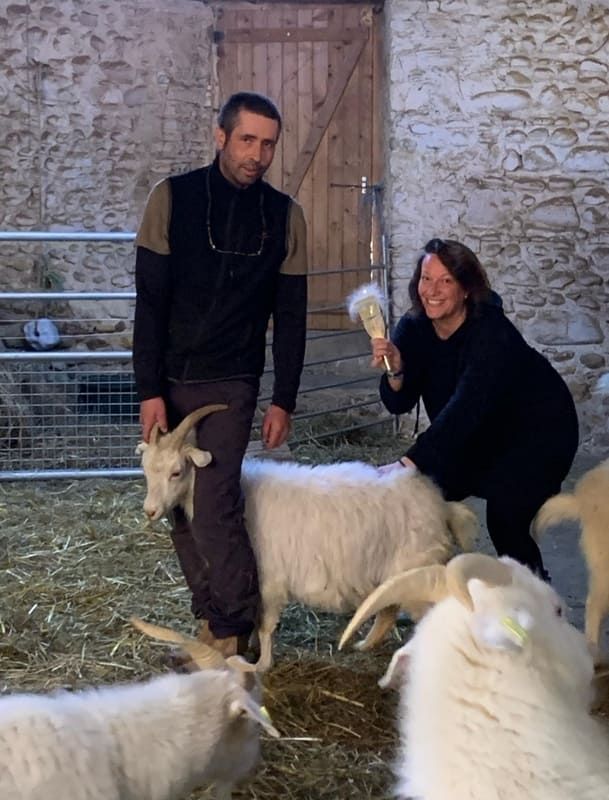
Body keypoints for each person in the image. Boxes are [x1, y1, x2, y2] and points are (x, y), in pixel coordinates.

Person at [133, 92, 308, 657]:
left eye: (268, 144)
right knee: (179, 506)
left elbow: (292, 315)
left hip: (233, 380)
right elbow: (149, 304)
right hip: (172, 379)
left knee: (214, 503)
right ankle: (212, 618)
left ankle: (233, 628)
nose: (257, 155)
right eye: (247, 140)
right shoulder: (171, 199)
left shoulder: (284, 216)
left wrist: (283, 398)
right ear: (221, 136)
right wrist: (149, 390)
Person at [372, 237, 578, 578]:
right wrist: (395, 370)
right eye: (426, 278)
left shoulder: (492, 332)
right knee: (417, 494)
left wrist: (407, 462)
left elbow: (466, 407)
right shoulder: (414, 327)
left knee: (506, 515)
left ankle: (535, 595)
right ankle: (427, 585)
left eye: (446, 281)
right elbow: (398, 403)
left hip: (537, 433)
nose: (432, 290)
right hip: (473, 437)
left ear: (466, 288)